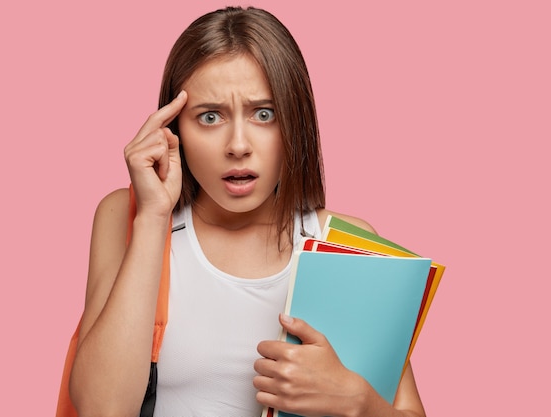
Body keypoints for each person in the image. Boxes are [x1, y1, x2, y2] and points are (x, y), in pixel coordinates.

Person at [69, 6, 426, 417]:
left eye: (263, 114)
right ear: (174, 130)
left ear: (295, 121)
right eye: (209, 116)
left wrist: (358, 403)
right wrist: (152, 217)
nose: (238, 144)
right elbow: (100, 408)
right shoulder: (128, 216)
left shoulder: (341, 243)